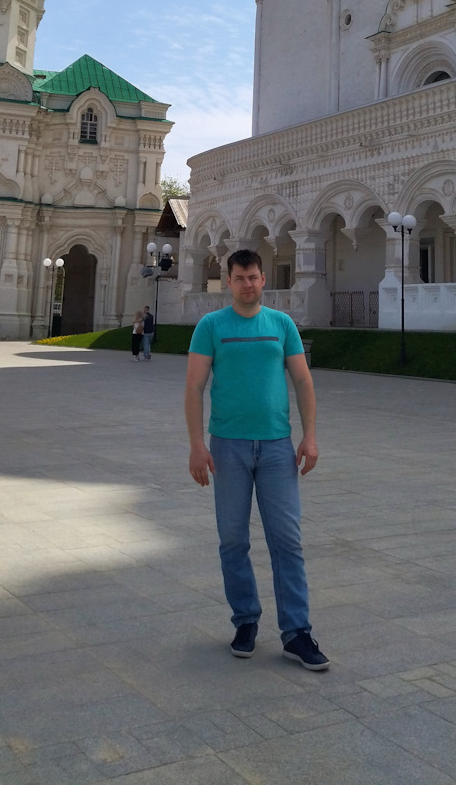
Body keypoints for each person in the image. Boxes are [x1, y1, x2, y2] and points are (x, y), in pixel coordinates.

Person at [185, 248, 329, 670]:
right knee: (233, 540)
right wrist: (197, 444)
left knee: (287, 540)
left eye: (253, 277)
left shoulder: (281, 324)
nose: (247, 284)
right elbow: (194, 387)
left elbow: (302, 380)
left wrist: (311, 437)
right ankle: (245, 619)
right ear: (228, 282)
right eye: (240, 277)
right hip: (228, 446)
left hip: (276, 447)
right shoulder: (211, 326)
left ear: (263, 279)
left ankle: (297, 632)